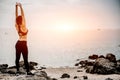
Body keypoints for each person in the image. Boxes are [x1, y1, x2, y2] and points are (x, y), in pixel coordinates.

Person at [15, 2, 32, 75]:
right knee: (25, 59)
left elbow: (16, 16)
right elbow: (23, 15)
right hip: (23, 44)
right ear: (22, 20)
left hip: (18, 43)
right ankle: (28, 72)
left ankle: (18, 70)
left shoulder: (16, 25)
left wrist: (16, 7)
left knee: (17, 58)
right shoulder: (23, 26)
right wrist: (20, 7)